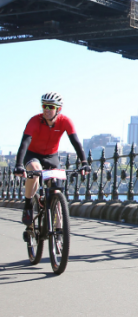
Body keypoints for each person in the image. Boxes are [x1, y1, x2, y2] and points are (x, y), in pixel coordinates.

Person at [14, 92, 91, 226]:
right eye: (44, 106)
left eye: (50, 106)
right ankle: (28, 206)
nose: (46, 109)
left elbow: (76, 142)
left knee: (56, 190)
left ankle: (59, 232)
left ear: (58, 109)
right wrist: (19, 165)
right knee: (35, 171)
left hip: (51, 156)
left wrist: (84, 162)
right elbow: (24, 143)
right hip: (33, 155)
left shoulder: (65, 121)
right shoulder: (34, 120)